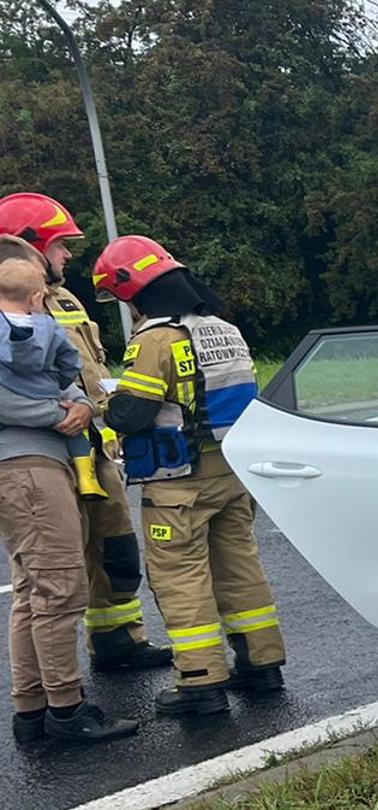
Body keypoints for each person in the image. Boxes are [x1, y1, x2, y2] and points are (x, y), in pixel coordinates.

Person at [95, 235, 286, 715]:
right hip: (231, 473)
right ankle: (261, 665)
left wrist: (103, 404)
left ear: (136, 291)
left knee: (181, 579)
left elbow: (133, 414)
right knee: (240, 568)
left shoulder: (155, 340)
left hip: (178, 481)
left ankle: (201, 683)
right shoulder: (226, 329)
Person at [0, 193, 172, 672]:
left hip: (92, 445)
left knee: (115, 547)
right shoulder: (9, 305)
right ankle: (51, 689)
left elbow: (89, 369)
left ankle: (118, 640)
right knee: (49, 571)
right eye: (59, 245)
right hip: (38, 455)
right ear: (29, 248)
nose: (68, 255)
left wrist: (97, 411)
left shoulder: (67, 299)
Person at [0, 251, 140, 744]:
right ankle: (66, 707)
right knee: (60, 589)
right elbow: (50, 387)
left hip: (36, 463)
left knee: (33, 595)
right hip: (27, 467)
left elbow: (69, 379)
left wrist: (78, 403)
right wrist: (58, 414)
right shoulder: (32, 325)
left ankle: (33, 711)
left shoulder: (37, 329)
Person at [0, 244, 106, 501]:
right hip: (28, 454)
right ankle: (88, 479)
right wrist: (70, 407)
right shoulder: (48, 325)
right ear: (36, 299)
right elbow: (70, 362)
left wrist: (83, 406)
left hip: (38, 433)